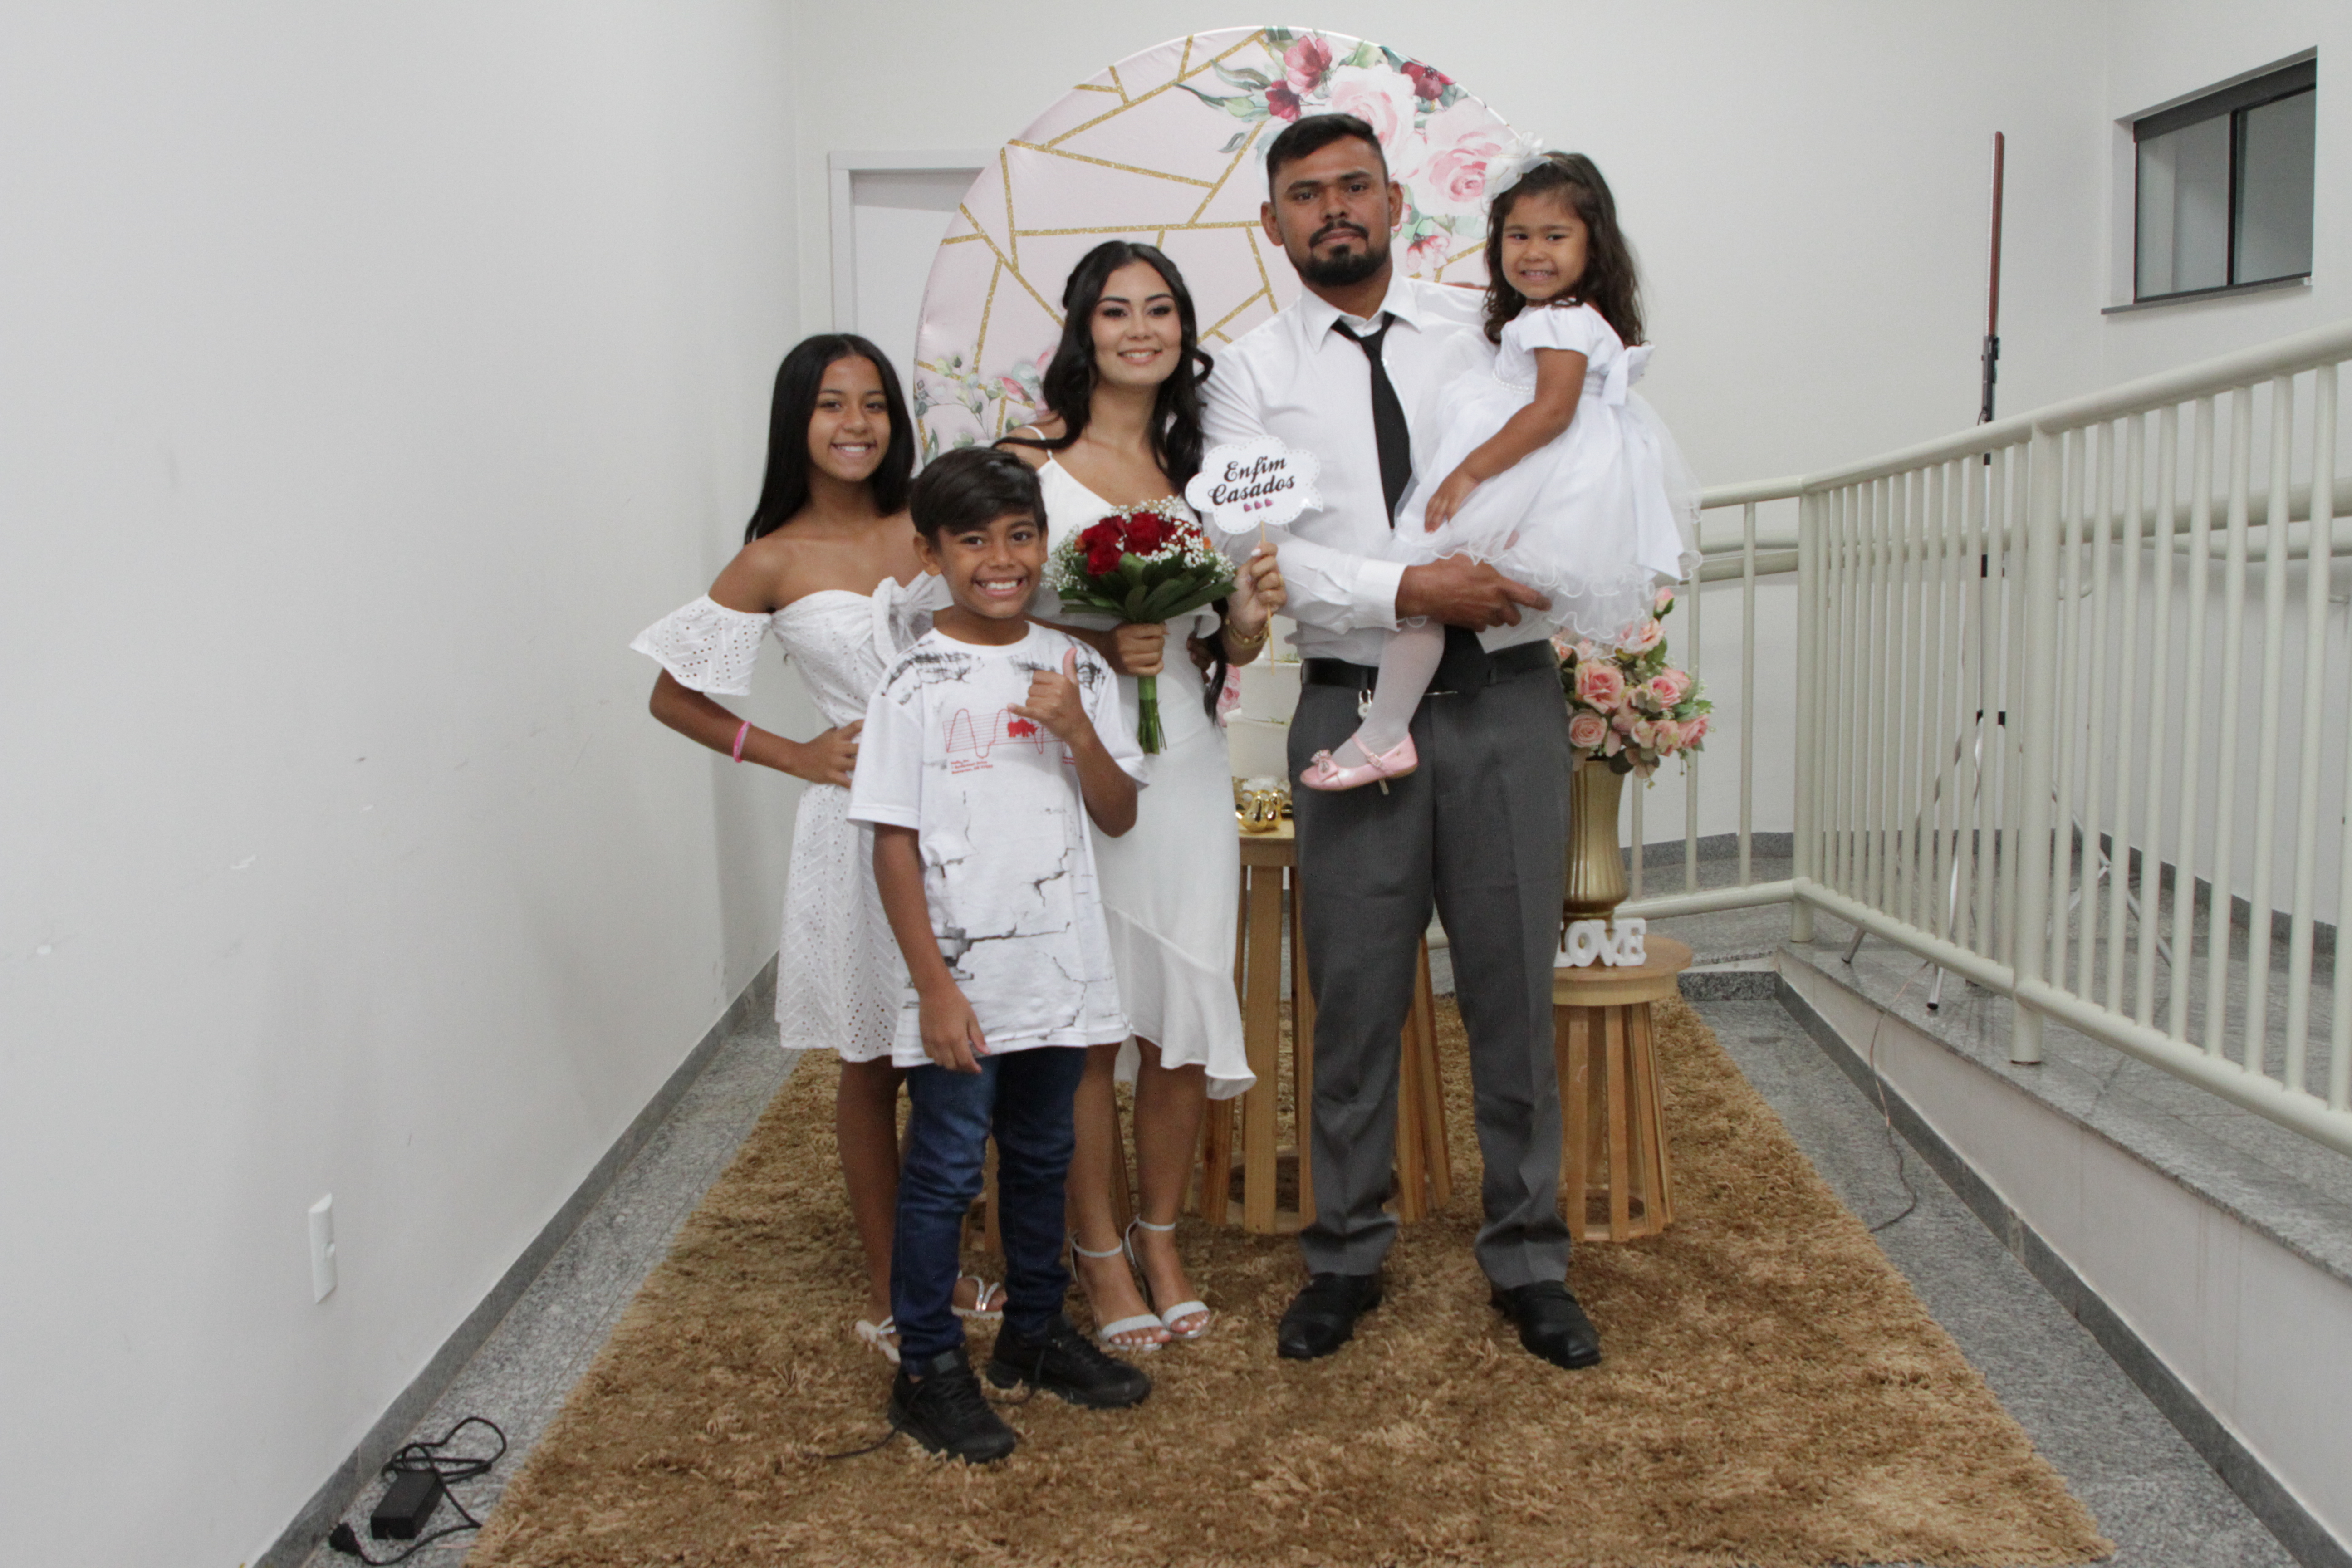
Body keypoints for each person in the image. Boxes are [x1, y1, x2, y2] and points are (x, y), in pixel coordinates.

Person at [1201, 113, 1601, 1370]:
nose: (1334, 209)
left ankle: (1530, 1257)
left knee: (1511, 992)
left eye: (1354, 187)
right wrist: (1410, 591)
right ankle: (1344, 1253)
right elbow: (1258, 555)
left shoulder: (1489, 327)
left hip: (1506, 699)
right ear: (1273, 222)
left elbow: (1572, 452)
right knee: (1356, 996)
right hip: (1346, 701)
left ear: (1393, 202)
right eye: (1306, 193)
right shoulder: (1246, 375)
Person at [630, 336, 1000, 1370]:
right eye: (832, 403)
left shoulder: (929, 521)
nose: (856, 424)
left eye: (874, 403)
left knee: (969, 1050)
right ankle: (891, 1284)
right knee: (874, 1061)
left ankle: (953, 1255)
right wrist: (794, 753)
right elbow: (671, 696)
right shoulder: (773, 559)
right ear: (797, 420)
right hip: (860, 833)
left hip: (973, 815)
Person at [999, 240, 1288, 1352]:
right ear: (1083, 329)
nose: (1139, 329)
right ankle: (1099, 1253)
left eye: (1159, 309)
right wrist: (1086, 637)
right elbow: (982, 603)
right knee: (1087, 1022)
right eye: (1115, 310)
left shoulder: (1209, 470)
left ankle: (1160, 1237)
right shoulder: (1028, 461)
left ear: (1183, 331)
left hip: (1186, 760)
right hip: (1063, 754)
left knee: (1183, 1007)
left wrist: (1246, 618)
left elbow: (1224, 642)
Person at [848, 446, 1154, 1462]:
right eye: (973, 541)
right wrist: (933, 989)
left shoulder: (1076, 668)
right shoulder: (911, 682)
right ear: (931, 554)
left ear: (1044, 544)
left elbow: (1118, 814)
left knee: (1043, 1154)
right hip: (962, 984)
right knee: (945, 1169)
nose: (1001, 560)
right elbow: (892, 843)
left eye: (1020, 537)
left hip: (1058, 973)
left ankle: (1033, 1333)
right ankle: (928, 1368)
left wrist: (1080, 734)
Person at [1300, 151, 1695, 791]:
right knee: (1431, 594)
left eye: (1555, 237)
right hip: (1544, 486)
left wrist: (1469, 472)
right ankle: (1388, 731)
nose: (1533, 253)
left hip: (1525, 482)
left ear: (1594, 245)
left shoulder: (1560, 321)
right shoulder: (1562, 316)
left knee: (1424, 588)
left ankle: (1384, 733)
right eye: (1518, 237)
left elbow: (1550, 413)